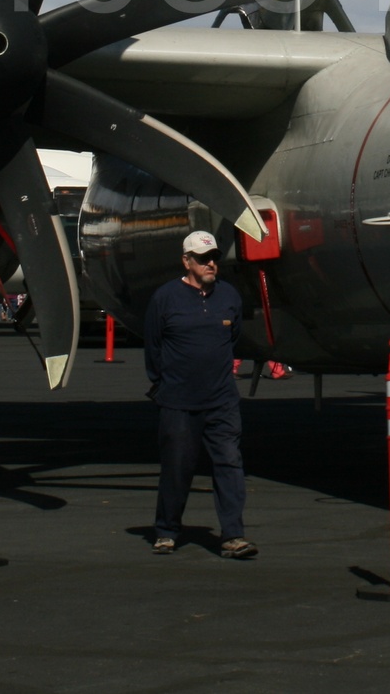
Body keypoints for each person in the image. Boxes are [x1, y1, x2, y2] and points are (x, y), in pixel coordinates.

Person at [144, 231, 257, 559]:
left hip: (222, 399)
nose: (211, 264)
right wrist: (162, 386)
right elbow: (153, 346)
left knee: (229, 464)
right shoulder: (165, 298)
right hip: (178, 400)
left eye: (214, 258)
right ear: (186, 261)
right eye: (203, 258)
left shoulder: (229, 297)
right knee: (177, 468)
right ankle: (166, 530)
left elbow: (232, 337)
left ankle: (233, 535)